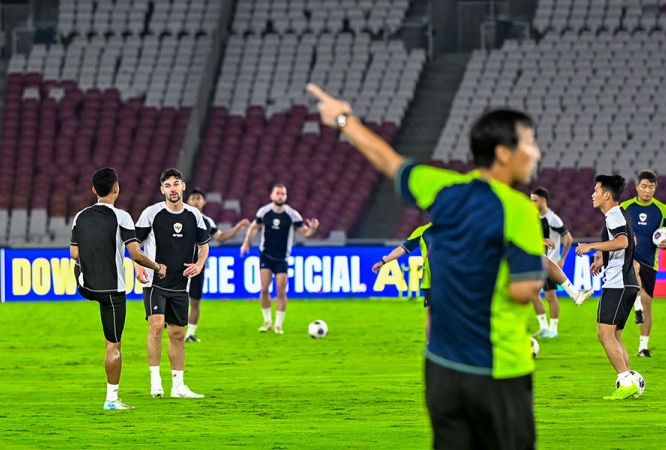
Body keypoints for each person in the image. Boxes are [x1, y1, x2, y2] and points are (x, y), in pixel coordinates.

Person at [308, 84, 544, 449]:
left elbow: (387, 159)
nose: (536, 153)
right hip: (498, 369)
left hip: (441, 369)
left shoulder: (442, 188)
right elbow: (523, 289)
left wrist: (343, 119)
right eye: (529, 143)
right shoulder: (520, 211)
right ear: (502, 153)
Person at [70, 167, 167, 410]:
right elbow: (136, 253)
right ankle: (112, 399)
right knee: (113, 345)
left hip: (86, 286)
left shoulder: (79, 216)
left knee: (81, 272)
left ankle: (85, 282)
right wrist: (158, 267)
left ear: (94, 190)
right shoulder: (121, 216)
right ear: (117, 189)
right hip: (112, 292)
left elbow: (74, 253)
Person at [134, 168, 210, 399]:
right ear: (162, 190)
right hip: (155, 281)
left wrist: (199, 264)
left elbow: (204, 245)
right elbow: (134, 244)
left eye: (176, 184)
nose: (172, 189)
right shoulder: (151, 213)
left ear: (183, 187)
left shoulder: (194, 215)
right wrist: (138, 267)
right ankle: (155, 381)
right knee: (156, 326)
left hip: (180, 283)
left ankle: (178, 387)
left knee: (177, 333)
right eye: (167, 185)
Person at [576, 174, 641, 400]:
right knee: (616, 335)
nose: (592, 194)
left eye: (595, 190)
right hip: (629, 282)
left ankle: (625, 382)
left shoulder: (613, 215)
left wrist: (591, 246)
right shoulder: (622, 214)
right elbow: (632, 242)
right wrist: (603, 258)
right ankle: (630, 382)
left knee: (604, 334)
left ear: (606, 194)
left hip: (618, 283)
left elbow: (623, 242)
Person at [620, 170, 666, 357]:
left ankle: (643, 347)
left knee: (648, 302)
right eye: (644, 186)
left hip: (651, 262)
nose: (648, 190)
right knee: (635, 267)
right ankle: (636, 306)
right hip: (629, 258)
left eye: (651, 187)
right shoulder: (626, 207)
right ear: (637, 186)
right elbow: (611, 227)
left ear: (655, 188)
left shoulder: (662, 209)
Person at [240, 184, 319, 334]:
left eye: (283, 194)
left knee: (281, 291)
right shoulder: (264, 212)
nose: (280, 196)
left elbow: (306, 233)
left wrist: (313, 229)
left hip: (282, 257)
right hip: (266, 254)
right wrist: (246, 243)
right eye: (278, 193)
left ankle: (278, 325)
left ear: (286, 196)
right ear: (272, 196)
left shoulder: (292, 214)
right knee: (264, 289)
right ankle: (267, 321)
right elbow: (254, 227)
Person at [184, 188, 250, 343]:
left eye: (199, 198)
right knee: (175, 299)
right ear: (188, 201)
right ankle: (168, 323)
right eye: (193, 198)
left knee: (195, 301)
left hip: (198, 267)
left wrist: (238, 227)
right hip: (179, 266)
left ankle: (190, 334)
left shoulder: (207, 221)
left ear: (204, 202)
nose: (196, 201)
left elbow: (220, 237)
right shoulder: (180, 218)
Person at [530, 187, 593, 338]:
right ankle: (544, 327)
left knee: (551, 296)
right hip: (537, 259)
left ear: (543, 201)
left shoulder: (553, 218)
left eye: (535, 200)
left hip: (549, 262)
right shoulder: (533, 217)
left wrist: (562, 258)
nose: (532, 203)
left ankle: (553, 329)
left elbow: (568, 238)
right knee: (534, 295)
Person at [373, 222, 433, 339]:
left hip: (453, 279)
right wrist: (383, 261)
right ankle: (431, 347)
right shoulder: (422, 231)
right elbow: (402, 249)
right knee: (432, 317)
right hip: (432, 282)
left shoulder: (456, 227)